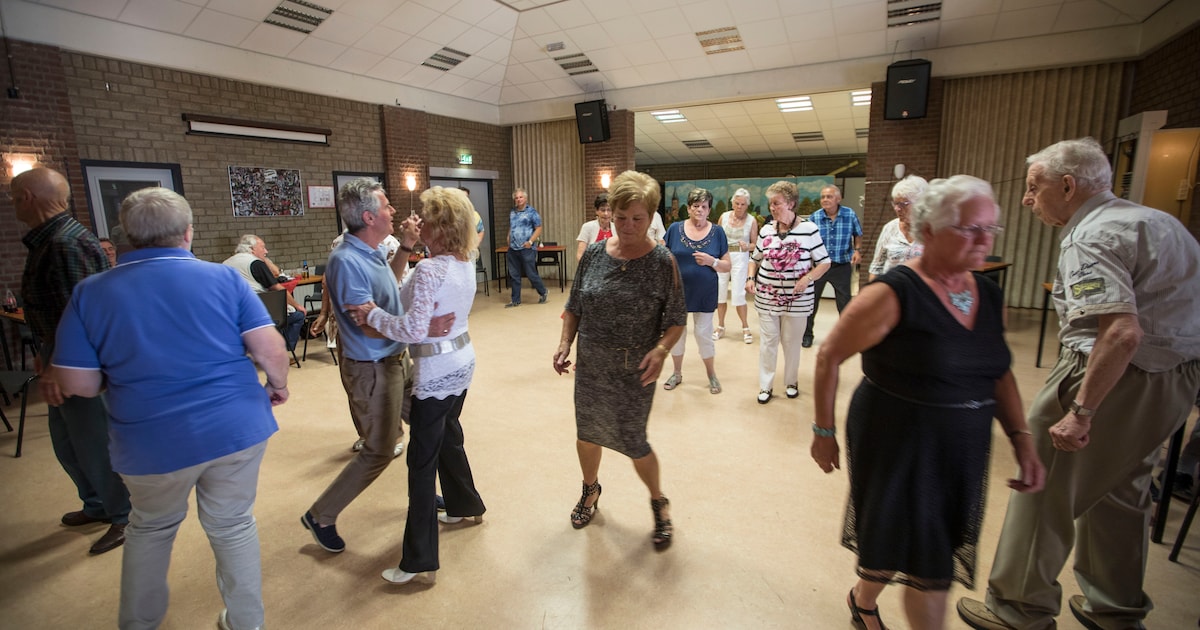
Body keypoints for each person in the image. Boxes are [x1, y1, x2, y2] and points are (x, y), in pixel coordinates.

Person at [957, 138, 1200, 630]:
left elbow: (1121, 332)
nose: (1027, 199)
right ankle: (1114, 606)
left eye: (1034, 187)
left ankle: (1018, 608)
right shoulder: (1160, 223)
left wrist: (1082, 411)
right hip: (1174, 379)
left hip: (1110, 374)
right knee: (1122, 492)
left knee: (1044, 485)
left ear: (1068, 186)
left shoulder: (1090, 236)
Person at [812, 175, 1045, 630]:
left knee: (911, 538)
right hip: (898, 439)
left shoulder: (989, 295)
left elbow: (997, 370)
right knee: (929, 563)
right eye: (970, 228)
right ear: (931, 229)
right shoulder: (892, 294)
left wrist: (1022, 440)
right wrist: (824, 432)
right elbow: (828, 356)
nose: (984, 240)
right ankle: (870, 603)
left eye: (990, 229)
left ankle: (862, 598)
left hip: (962, 446)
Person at [52, 187, 289, 630]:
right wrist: (278, 386)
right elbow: (270, 348)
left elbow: (77, 383)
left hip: (150, 440)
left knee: (150, 528)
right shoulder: (224, 279)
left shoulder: (91, 292)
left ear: (126, 236)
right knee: (233, 524)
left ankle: (139, 622)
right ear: (188, 232)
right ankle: (246, 622)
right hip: (235, 425)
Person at [300, 178, 455, 554]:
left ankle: (423, 494)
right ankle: (321, 515)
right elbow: (366, 325)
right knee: (380, 449)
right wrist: (418, 328)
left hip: (397, 358)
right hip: (373, 368)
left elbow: (391, 283)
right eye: (386, 206)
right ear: (369, 217)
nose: (393, 211)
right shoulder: (346, 261)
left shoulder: (370, 251)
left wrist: (406, 246)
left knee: (430, 423)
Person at [347, 187, 486, 586]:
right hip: (462, 364)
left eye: (425, 218)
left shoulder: (431, 270)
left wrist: (372, 315)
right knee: (449, 438)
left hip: (437, 372)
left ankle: (419, 560)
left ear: (439, 227)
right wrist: (404, 314)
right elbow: (409, 305)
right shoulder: (463, 262)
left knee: (421, 465)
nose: (417, 222)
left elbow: (408, 327)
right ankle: (464, 504)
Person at [553, 170, 686, 550]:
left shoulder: (662, 262)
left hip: (635, 371)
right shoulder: (595, 254)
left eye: (637, 218)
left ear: (652, 217)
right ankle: (590, 490)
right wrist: (565, 342)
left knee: (634, 440)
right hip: (592, 365)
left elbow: (677, 319)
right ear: (610, 213)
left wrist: (661, 350)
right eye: (621, 217)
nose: (627, 226)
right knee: (587, 433)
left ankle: (658, 501)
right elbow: (574, 305)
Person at [11, 167, 130, 556]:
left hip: (79, 359)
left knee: (94, 440)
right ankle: (96, 503)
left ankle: (124, 514)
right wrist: (45, 352)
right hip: (60, 353)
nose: (12, 205)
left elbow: (78, 314)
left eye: (13, 197)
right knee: (67, 440)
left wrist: (60, 363)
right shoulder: (51, 239)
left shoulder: (65, 243)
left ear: (28, 198)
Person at [747, 181, 830, 404]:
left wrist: (807, 278)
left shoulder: (809, 229)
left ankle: (791, 382)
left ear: (791, 203)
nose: (772, 208)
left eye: (777, 203)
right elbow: (755, 259)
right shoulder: (766, 230)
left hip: (798, 300)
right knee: (768, 342)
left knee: (792, 343)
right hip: (767, 297)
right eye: (770, 203)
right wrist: (750, 277)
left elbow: (824, 262)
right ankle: (766, 385)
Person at [662, 188, 730, 395]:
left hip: (705, 291)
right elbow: (662, 256)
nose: (699, 210)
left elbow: (727, 266)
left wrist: (712, 261)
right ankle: (676, 373)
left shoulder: (718, 232)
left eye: (704, 206)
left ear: (709, 210)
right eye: (695, 206)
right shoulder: (674, 229)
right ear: (689, 208)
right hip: (677, 291)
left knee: (703, 334)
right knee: (677, 333)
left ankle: (711, 374)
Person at [802, 184, 863, 348]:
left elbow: (858, 234)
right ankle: (807, 335)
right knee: (811, 302)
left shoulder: (849, 214)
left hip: (841, 265)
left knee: (845, 304)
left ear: (838, 198)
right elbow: (807, 240)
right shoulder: (815, 217)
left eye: (829, 196)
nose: (825, 200)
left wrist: (857, 251)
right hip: (819, 266)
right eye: (823, 197)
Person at [222, 234, 305, 352]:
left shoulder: (225, 264)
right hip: (260, 314)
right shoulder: (255, 263)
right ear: (252, 249)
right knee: (298, 316)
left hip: (235, 315)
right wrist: (297, 305)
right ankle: (283, 351)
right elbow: (277, 288)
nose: (266, 251)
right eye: (263, 247)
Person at [714, 188, 758, 344]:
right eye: (737, 203)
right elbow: (716, 238)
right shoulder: (724, 217)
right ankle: (720, 326)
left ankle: (745, 327)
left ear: (747, 205)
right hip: (724, 255)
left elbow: (755, 245)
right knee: (720, 292)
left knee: (739, 294)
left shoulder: (751, 221)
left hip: (740, 256)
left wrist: (747, 246)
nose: (739, 206)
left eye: (743, 204)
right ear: (732, 203)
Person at [868, 175, 927, 281]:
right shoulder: (890, 228)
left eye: (903, 204)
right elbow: (876, 267)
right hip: (890, 288)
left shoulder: (933, 231)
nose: (897, 209)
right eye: (895, 204)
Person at [505, 187, 548, 307]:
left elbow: (539, 228)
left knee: (530, 273)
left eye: (521, 197)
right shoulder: (512, 212)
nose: (518, 199)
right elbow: (512, 226)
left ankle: (543, 291)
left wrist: (530, 241)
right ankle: (515, 300)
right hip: (513, 248)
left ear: (525, 198)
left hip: (527, 248)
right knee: (514, 275)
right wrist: (508, 237)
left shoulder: (532, 212)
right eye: (516, 198)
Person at [575, 193, 613, 262]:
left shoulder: (617, 228)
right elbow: (580, 254)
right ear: (597, 211)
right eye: (603, 210)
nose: (606, 213)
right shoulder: (587, 227)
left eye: (609, 210)